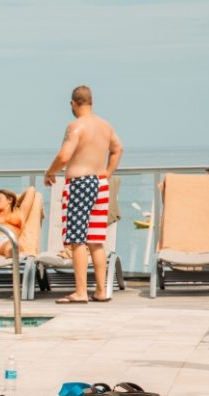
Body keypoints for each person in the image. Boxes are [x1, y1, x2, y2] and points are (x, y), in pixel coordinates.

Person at [44, 85, 123, 304]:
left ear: (73, 103)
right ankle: (100, 290)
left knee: (77, 240)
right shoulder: (105, 126)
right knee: (96, 240)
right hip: (100, 183)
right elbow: (118, 149)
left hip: (79, 183)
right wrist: (106, 172)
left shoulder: (75, 126)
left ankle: (80, 292)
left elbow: (64, 155)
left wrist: (50, 172)